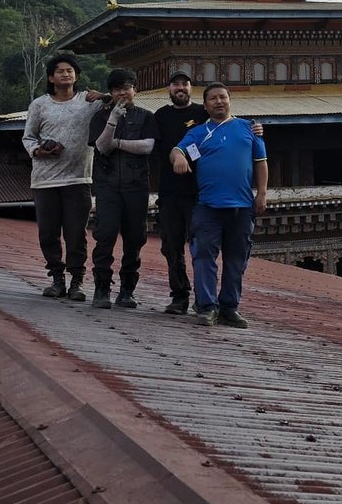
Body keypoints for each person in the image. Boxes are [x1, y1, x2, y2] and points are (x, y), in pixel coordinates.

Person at [171, 82, 267, 328]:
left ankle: (229, 307)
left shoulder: (249, 129)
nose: (218, 102)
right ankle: (206, 306)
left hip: (242, 207)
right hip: (208, 207)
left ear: (229, 100)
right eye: (213, 99)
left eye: (222, 97)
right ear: (205, 105)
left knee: (237, 259)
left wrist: (262, 193)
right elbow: (176, 150)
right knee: (203, 256)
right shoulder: (199, 133)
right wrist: (179, 158)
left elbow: (261, 162)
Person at [22, 53, 102, 300]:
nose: (66, 74)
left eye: (70, 70)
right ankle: (57, 278)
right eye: (60, 71)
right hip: (45, 179)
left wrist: (104, 97)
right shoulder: (39, 105)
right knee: (48, 232)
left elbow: (119, 104)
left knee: (76, 234)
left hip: (78, 179)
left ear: (76, 75)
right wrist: (39, 151)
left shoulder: (89, 102)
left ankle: (76, 281)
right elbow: (28, 137)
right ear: (51, 77)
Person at [88, 67, 157, 309]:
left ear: (134, 90)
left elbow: (147, 146)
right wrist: (113, 120)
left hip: (136, 185)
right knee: (104, 236)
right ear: (111, 92)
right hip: (107, 186)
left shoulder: (146, 116)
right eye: (117, 89)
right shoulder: (100, 117)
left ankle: (127, 290)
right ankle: (101, 289)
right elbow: (101, 147)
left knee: (134, 239)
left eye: (127, 88)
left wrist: (118, 142)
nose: (122, 93)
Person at [152, 70, 205, 315]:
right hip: (170, 192)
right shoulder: (161, 116)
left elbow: (229, 124)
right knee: (172, 247)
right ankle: (179, 296)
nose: (180, 88)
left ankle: (203, 297)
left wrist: (255, 129)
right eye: (175, 84)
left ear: (191, 88)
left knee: (201, 247)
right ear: (169, 89)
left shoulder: (202, 114)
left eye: (185, 84)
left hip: (197, 192)